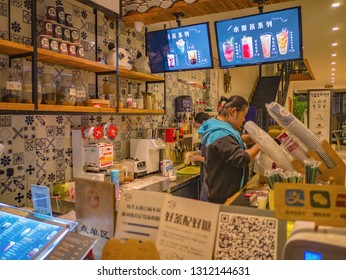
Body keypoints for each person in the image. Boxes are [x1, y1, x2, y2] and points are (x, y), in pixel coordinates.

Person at [198, 95, 261, 204]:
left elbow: (235, 140)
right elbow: (241, 158)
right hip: (218, 200)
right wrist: (262, 143)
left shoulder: (223, 129)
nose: (244, 119)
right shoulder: (219, 134)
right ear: (233, 111)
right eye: (243, 115)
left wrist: (253, 138)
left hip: (222, 195)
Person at [188, 112, 211, 201]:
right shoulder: (207, 135)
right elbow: (208, 152)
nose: (198, 131)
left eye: (198, 127)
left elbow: (214, 159)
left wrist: (197, 158)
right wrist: (197, 153)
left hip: (210, 179)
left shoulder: (211, 135)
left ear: (204, 122)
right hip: (206, 177)